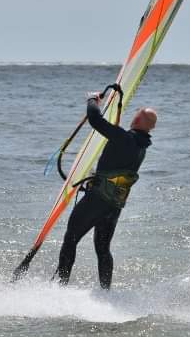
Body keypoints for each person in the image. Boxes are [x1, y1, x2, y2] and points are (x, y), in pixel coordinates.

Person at [55, 92, 156, 289]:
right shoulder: (141, 147)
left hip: (97, 201)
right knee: (103, 249)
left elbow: (95, 119)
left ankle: (60, 287)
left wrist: (92, 100)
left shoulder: (124, 138)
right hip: (113, 206)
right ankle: (105, 293)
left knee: (70, 239)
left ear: (137, 119)